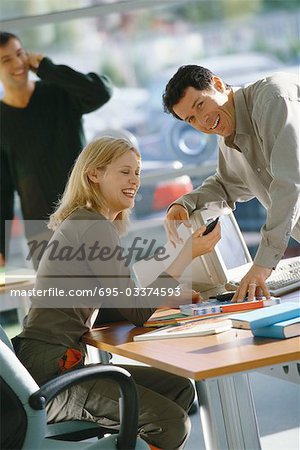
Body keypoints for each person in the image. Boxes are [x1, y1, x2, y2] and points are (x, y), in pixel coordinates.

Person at [13, 136, 221, 450]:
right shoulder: (93, 226)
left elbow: (112, 308)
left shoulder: (85, 223)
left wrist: (167, 298)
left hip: (51, 362)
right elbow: (135, 311)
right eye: (124, 172)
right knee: (170, 422)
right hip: (49, 373)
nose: (135, 181)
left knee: (177, 388)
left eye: (137, 172)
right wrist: (188, 253)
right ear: (94, 174)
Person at [162, 65, 300, 303]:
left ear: (217, 84)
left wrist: (263, 264)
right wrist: (183, 204)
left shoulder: (272, 99)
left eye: (200, 104)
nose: (202, 121)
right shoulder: (228, 141)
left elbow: (290, 181)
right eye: (191, 119)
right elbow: (225, 185)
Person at [0, 31, 113, 267]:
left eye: (20, 54)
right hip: (42, 231)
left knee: (111, 297)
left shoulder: (59, 93)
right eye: (6, 60)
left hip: (89, 214)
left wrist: (46, 68)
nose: (18, 63)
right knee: (59, 302)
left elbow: (101, 92)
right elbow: (3, 189)